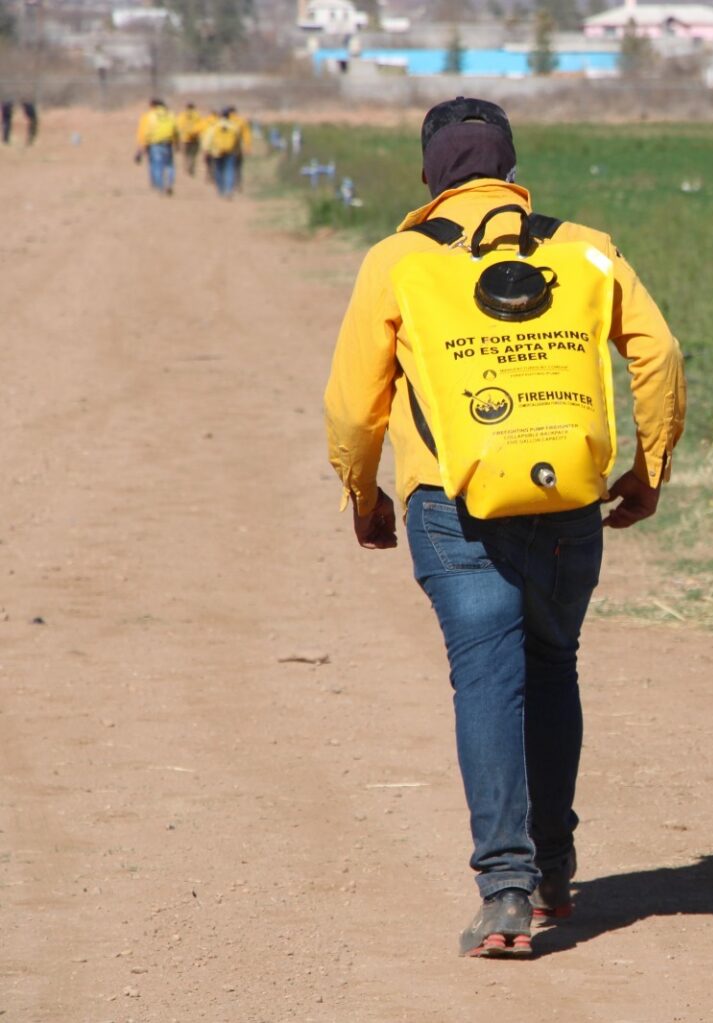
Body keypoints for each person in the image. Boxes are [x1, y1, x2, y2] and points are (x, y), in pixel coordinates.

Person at [323, 96, 685, 959]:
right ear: (512, 172)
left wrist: (364, 496)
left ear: (428, 177)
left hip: (452, 504)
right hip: (566, 496)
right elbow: (660, 356)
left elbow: (350, 406)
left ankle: (507, 891)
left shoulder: (398, 260)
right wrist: (649, 470)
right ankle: (555, 866)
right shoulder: (585, 247)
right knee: (552, 664)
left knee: (488, 678)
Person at [134, 98, 177, 196]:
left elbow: (145, 132)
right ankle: (169, 184)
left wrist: (141, 147)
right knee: (169, 165)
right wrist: (176, 143)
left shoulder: (149, 116)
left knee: (157, 166)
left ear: (152, 106)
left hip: (154, 144)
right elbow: (175, 129)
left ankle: (160, 187)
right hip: (168, 143)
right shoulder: (170, 114)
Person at [201, 108, 242, 199]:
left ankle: (221, 190)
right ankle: (229, 190)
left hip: (217, 152)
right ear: (229, 116)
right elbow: (238, 140)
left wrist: (206, 150)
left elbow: (208, 139)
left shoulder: (214, 126)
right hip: (230, 151)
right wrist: (238, 151)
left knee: (218, 170)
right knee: (229, 170)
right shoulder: (234, 126)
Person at [225, 105, 253, 191]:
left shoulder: (224, 121)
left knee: (228, 167)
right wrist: (248, 146)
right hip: (237, 149)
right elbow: (246, 135)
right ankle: (238, 184)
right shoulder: (241, 121)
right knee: (238, 167)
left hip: (225, 149)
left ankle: (229, 185)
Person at [176, 102, 202, 175]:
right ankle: (191, 168)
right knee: (193, 155)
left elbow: (178, 126)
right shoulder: (197, 116)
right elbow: (201, 127)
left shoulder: (182, 115)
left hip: (184, 139)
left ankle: (186, 168)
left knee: (185, 155)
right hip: (195, 138)